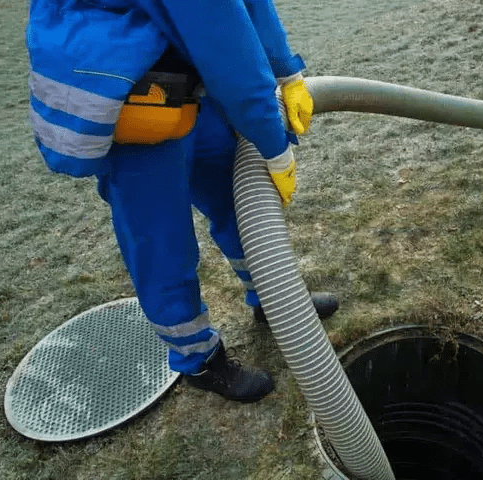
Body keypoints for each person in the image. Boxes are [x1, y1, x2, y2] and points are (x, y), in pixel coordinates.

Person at [25, 0, 338, 403]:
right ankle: (199, 359)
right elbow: (223, 38)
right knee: (161, 240)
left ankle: (272, 298)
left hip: (183, 72)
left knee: (236, 197)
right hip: (132, 96)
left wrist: (288, 70)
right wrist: (273, 146)